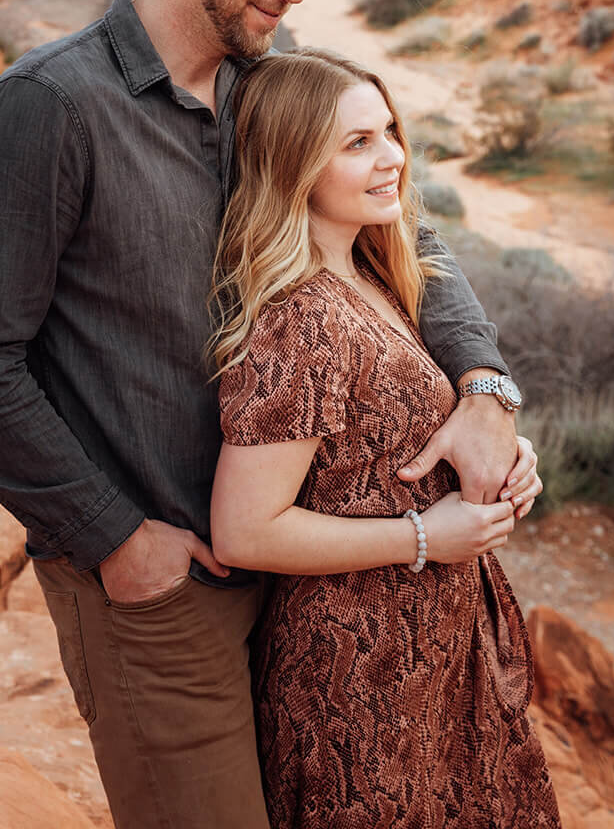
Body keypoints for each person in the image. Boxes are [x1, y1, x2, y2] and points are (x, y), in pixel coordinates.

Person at [0, 0, 540, 829]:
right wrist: (114, 536)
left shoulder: (270, 80)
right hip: (165, 590)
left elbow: (409, 235)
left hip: (303, 578)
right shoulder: (50, 108)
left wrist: (484, 386)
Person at [211, 47, 558, 829]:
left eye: (389, 130)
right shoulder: (296, 321)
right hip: (353, 677)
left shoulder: (373, 277)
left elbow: (395, 444)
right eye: (355, 143)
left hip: (428, 653)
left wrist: (502, 465)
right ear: (292, 162)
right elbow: (243, 529)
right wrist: (424, 535)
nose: (392, 157)